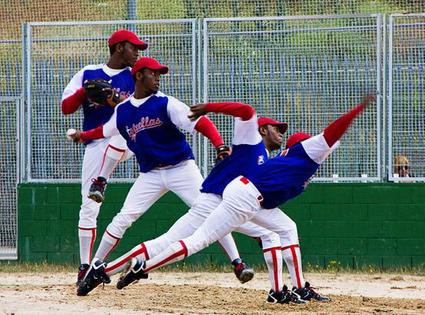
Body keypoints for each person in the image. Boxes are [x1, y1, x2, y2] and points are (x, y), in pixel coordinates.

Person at [76, 94, 376, 301]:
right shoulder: (252, 139)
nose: (280, 134)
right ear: (263, 129)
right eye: (276, 128)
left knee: (277, 233)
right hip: (218, 199)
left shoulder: (270, 161)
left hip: (241, 203)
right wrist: (210, 110)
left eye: (284, 131)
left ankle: (279, 290)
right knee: (177, 240)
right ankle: (107, 268)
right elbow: (246, 112)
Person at [67, 57, 256, 287]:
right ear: (138, 76)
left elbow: (201, 123)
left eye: (159, 74)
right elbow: (104, 130)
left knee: (209, 211)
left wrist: (220, 145)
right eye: (153, 73)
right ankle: (95, 266)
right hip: (150, 175)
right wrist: (82, 136)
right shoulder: (124, 111)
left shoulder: (166, 102)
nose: (158, 77)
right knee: (123, 218)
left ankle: (237, 262)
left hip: (182, 168)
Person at [61, 29, 148, 284]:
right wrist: (85, 92)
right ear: (120, 47)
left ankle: (102, 179)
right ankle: (85, 267)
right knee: (88, 207)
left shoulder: (136, 75)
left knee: (120, 132)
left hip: (128, 141)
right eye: (134, 48)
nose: (138, 53)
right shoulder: (89, 73)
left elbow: (139, 109)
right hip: (96, 144)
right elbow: (66, 108)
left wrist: (115, 98)